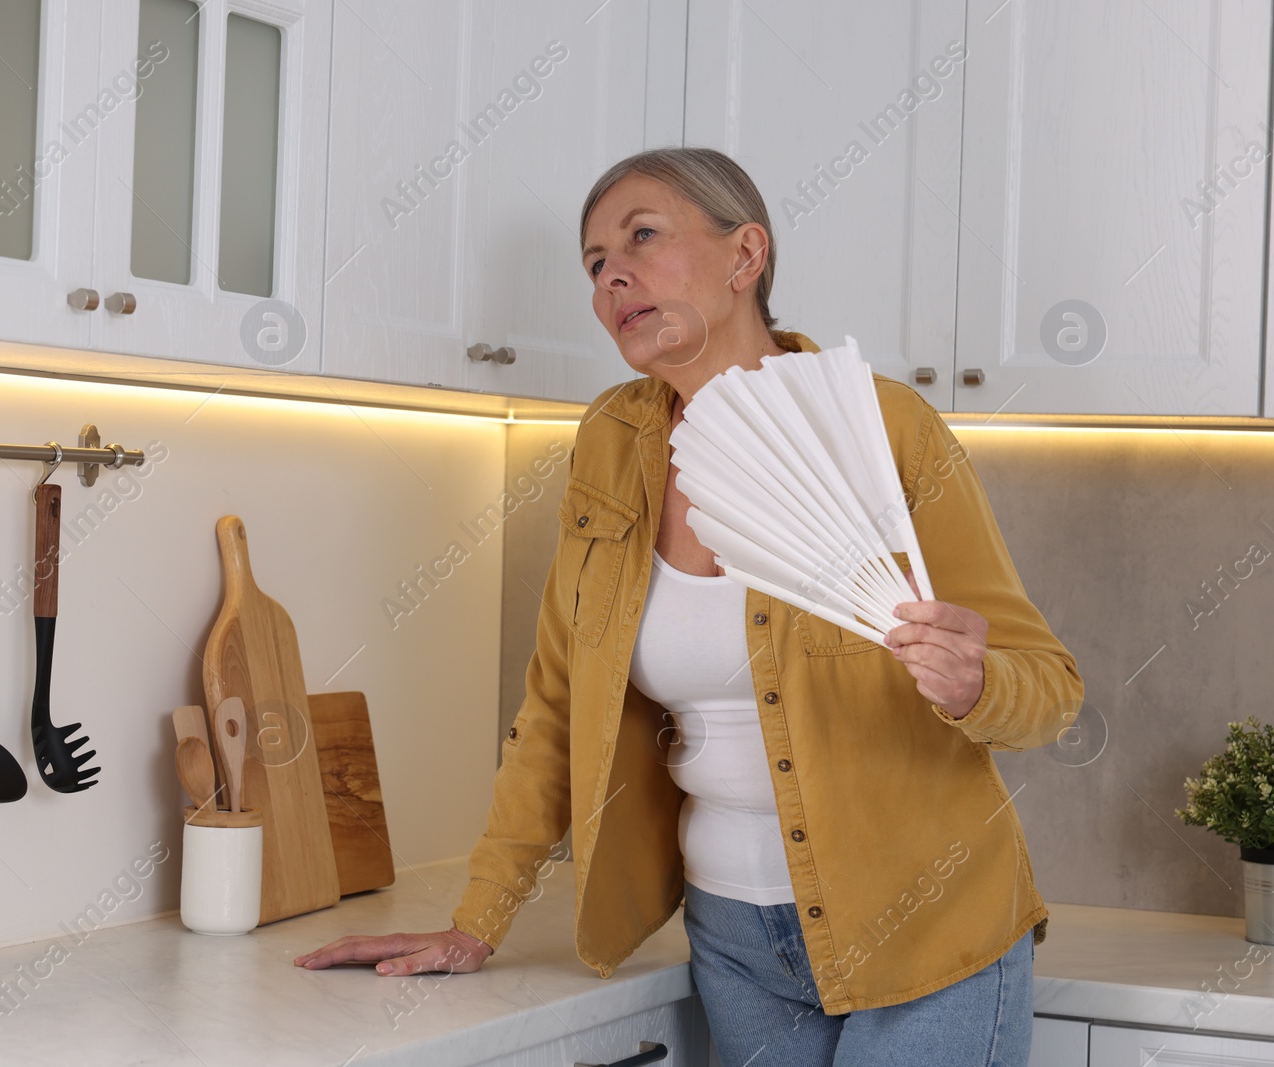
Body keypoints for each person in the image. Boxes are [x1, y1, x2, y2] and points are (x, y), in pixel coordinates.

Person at [294, 147, 1083, 1067]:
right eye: (594, 264)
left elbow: (1049, 687)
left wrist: (975, 682)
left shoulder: (883, 428)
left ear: (745, 256)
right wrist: (479, 920)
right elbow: (557, 706)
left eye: (642, 237)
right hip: (735, 946)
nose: (612, 275)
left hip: (927, 933)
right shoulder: (608, 442)